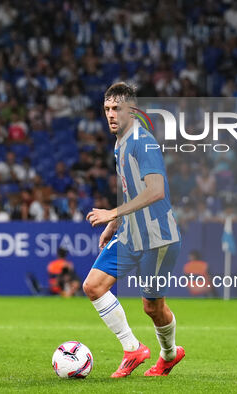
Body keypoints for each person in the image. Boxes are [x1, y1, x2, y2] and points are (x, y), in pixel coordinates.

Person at [83, 82, 184, 378]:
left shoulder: (143, 141)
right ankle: (133, 348)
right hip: (129, 235)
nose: (111, 115)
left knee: (152, 307)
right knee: (93, 286)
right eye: (107, 109)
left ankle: (168, 355)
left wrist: (111, 213)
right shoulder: (120, 142)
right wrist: (115, 224)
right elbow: (130, 188)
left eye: (117, 109)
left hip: (158, 238)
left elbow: (156, 191)